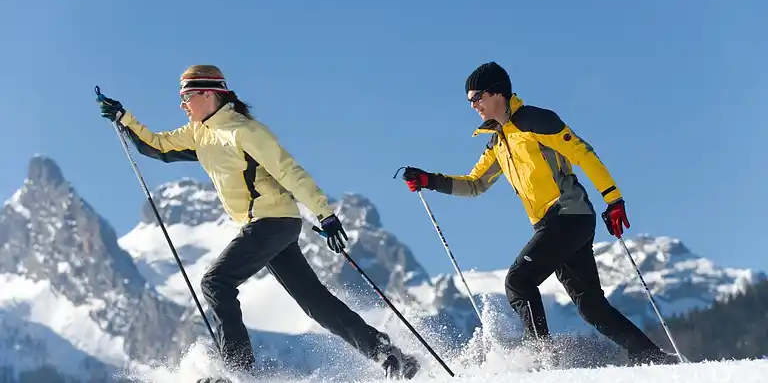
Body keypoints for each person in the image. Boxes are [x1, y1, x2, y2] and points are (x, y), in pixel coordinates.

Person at [96, 65, 420, 380]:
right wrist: (124, 118)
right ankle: (391, 357)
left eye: (186, 97)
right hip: (267, 225)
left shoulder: (244, 131)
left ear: (209, 94)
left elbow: (289, 171)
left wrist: (326, 214)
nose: (181, 105)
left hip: (272, 220)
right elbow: (158, 147)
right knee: (315, 303)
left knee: (216, 283)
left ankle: (238, 374)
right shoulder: (200, 133)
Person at [400, 61, 680, 367]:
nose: (473, 105)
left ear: (497, 93)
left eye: (477, 97)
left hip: (569, 215)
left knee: (519, 281)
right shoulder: (498, 142)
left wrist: (613, 199)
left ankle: (543, 359)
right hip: (552, 224)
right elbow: (476, 183)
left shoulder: (536, 120)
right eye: (470, 100)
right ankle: (651, 356)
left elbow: (583, 153)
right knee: (591, 307)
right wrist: (430, 180)